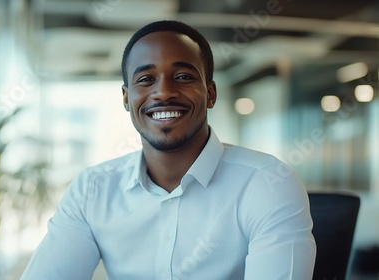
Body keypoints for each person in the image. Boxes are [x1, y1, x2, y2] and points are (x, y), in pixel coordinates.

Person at [21, 20, 316, 280]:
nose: (163, 92)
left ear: (210, 93)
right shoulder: (93, 189)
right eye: (146, 79)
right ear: (126, 98)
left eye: (184, 77)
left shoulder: (267, 182)